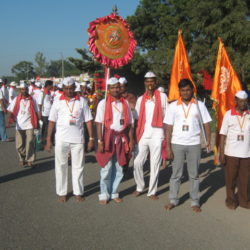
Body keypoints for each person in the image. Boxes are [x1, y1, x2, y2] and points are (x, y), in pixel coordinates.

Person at [164, 78, 212, 212]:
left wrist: (208, 140)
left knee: (194, 174)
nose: (185, 92)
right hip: (177, 143)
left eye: (188, 90)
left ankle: (195, 201)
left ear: (192, 90)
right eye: (183, 90)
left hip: (194, 144)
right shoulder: (173, 106)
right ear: (179, 91)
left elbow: (206, 123)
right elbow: (168, 127)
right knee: (176, 174)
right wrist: (167, 147)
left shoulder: (199, 105)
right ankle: (173, 199)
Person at [45, 77, 94, 202]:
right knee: (61, 166)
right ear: (63, 89)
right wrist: (48, 139)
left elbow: (88, 120)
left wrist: (91, 138)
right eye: (66, 89)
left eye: (71, 88)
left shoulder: (82, 101)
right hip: (61, 139)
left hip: (78, 139)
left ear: (74, 88)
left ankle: (78, 192)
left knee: (78, 166)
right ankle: (62, 192)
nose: (69, 91)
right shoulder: (57, 102)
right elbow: (51, 121)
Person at [95, 77, 134, 205]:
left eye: (118, 87)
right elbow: (99, 123)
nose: (116, 89)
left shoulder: (125, 103)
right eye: (113, 87)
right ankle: (104, 194)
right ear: (109, 89)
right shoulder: (103, 103)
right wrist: (100, 141)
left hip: (121, 138)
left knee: (119, 167)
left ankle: (114, 192)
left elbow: (129, 123)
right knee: (106, 167)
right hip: (107, 138)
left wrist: (131, 140)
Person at [133, 72, 168, 200]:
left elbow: (167, 116)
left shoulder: (163, 97)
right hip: (143, 134)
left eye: (152, 81)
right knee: (137, 162)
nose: (149, 83)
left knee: (155, 163)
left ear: (155, 82)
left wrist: (167, 136)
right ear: (144, 83)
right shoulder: (140, 99)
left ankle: (152, 191)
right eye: (147, 81)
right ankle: (139, 186)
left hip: (157, 134)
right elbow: (136, 118)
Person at [219, 90, 250, 210]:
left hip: (247, 153)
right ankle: (231, 200)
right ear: (235, 101)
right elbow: (222, 134)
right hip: (231, 153)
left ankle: (244, 201)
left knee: (245, 179)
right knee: (231, 179)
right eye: (240, 101)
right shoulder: (228, 114)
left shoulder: (249, 114)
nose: (243, 103)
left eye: (245, 101)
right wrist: (221, 153)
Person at [8, 82, 39, 167]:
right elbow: (10, 111)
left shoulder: (32, 100)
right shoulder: (16, 99)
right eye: (22, 89)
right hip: (19, 125)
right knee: (19, 145)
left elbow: (36, 112)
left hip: (30, 124)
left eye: (25, 89)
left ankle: (30, 159)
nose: (24, 91)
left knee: (30, 142)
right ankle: (22, 157)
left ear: (27, 90)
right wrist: (9, 120)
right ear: (20, 90)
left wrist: (38, 123)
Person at [38, 80, 53, 144]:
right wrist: (40, 114)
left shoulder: (49, 93)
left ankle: (47, 139)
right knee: (45, 127)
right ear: (48, 85)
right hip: (44, 113)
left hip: (50, 113)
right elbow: (39, 104)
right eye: (51, 85)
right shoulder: (42, 93)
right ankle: (43, 140)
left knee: (49, 127)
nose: (52, 87)